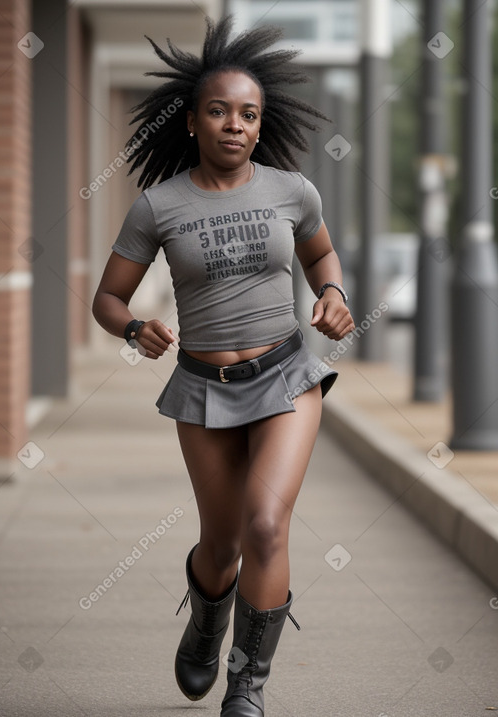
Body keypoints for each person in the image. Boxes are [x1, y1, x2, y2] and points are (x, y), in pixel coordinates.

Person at [92, 15, 355, 717]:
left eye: (248, 114)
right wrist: (134, 327)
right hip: (204, 389)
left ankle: (248, 683)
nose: (235, 125)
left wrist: (331, 292)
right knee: (223, 542)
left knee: (267, 523)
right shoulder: (158, 206)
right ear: (191, 121)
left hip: (286, 376)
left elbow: (322, 256)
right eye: (219, 111)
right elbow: (108, 298)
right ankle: (208, 621)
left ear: (260, 124)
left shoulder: (292, 192)